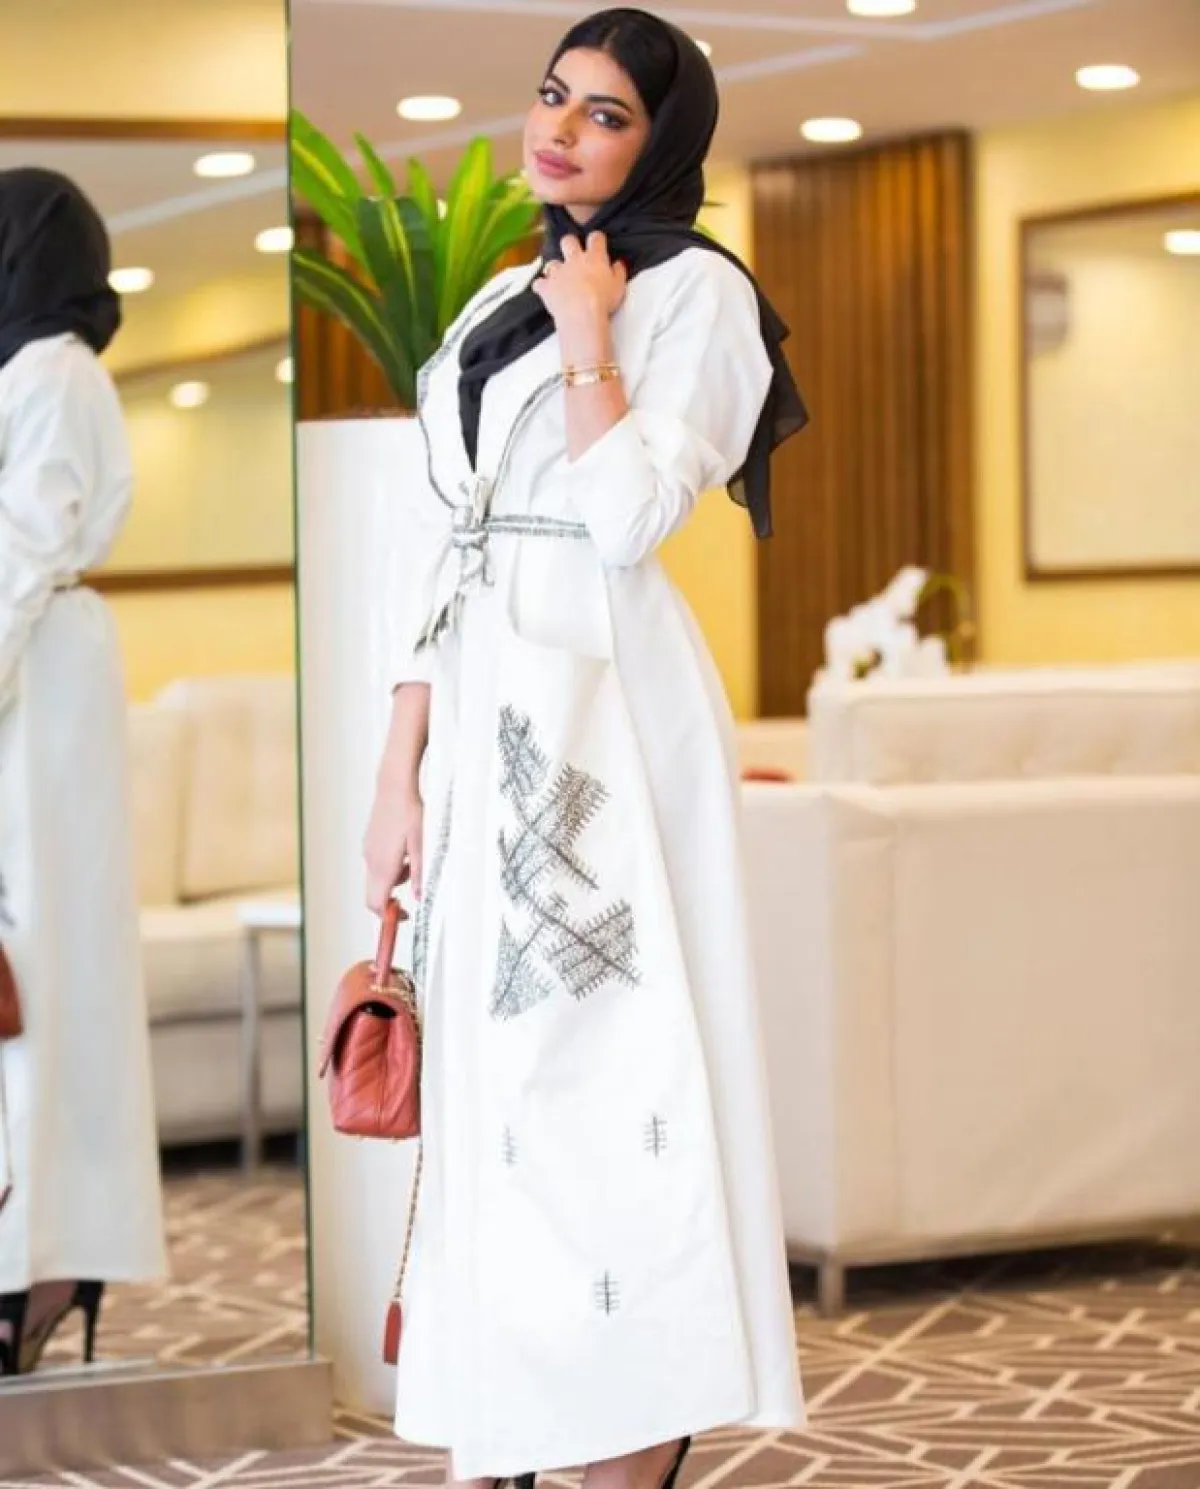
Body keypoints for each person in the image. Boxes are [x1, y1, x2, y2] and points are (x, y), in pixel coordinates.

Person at [363, 10, 808, 1487]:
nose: (559, 130)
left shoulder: (700, 297)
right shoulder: (504, 291)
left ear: (662, 143)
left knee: (608, 1076)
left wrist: (591, 343)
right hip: (481, 701)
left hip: (603, 717)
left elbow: (626, 518)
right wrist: (397, 770)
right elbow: (445, 530)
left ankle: (632, 1436)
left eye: (605, 114)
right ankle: (517, 1419)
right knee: (500, 1086)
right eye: (554, 96)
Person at [0, 168, 167, 1374]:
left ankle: (45, 1258)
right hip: (27, 656)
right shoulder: (25, 367)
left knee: (43, 962)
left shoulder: (55, 369)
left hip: (34, 664)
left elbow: (26, 539)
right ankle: (35, 1249)